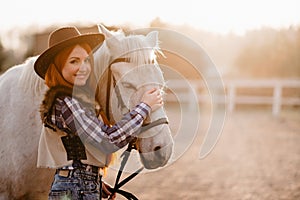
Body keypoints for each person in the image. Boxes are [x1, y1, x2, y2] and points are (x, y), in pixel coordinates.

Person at [34, 26, 163, 200]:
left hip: (78, 186)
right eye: (74, 61)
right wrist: (144, 107)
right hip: (75, 190)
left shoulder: (76, 102)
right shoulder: (67, 103)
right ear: (58, 67)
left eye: (86, 60)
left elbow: (79, 157)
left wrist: (94, 181)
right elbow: (106, 141)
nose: (83, 67)